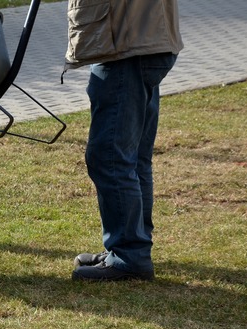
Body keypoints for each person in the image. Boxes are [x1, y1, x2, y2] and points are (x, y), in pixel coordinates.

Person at [64, 0, 183, 281]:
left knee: (111, 157)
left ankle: (129, 256)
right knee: (133, 158)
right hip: (143, 39)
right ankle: (131, 247)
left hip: (129, 43)